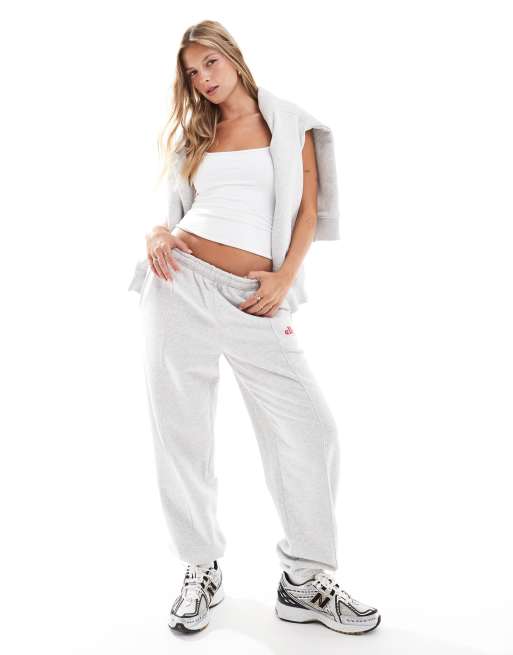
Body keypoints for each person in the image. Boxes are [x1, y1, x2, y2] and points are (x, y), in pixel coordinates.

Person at [128, 20, 381, 635]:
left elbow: (307, 212)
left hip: (254, 299)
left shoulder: (288, 123)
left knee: (311, 429)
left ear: (233, 58)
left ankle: (304, 580)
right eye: (192, 73)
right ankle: (200, 568)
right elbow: (175, 215)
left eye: (210, 63)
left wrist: (283, 279)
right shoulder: (196, 134)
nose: (203, 79)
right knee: (181, 432)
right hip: (178, 284)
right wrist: (157, 233)